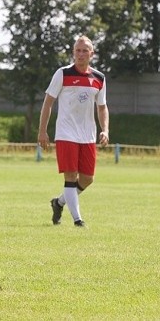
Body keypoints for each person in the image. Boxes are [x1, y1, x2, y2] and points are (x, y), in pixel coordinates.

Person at [38, 36, 109, 227]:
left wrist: (105, 130)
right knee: (70, 176)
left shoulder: (99, 78)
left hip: (88, 135)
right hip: (66, 133)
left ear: (91, 54)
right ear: (73, 52)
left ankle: (59, 202)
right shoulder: (62, 73)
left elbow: (102, 107)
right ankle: (78, 220)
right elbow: (48, 102)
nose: (80, 54)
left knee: (87, 179)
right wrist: (42, 131)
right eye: (77, 50)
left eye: (85, 50)